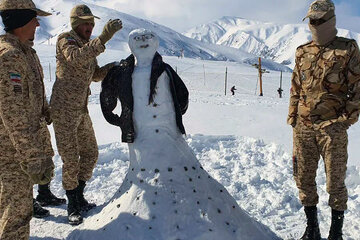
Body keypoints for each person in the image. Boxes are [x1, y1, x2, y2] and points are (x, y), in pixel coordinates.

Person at [84, 28, 276, 240]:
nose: (143, 42)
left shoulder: (165, 71)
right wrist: (119, 120)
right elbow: (107, 96)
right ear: (130, 44)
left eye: (147, 38)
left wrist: (170, 119)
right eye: (137, 39)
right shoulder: (122, 72)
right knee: (145, 175)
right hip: (141, 138)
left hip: (169, 137)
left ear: (155, 42)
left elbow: (182, 96)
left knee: (180, 173)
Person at [288, 0, 360, 239]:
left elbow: (358, 88)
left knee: (335, 184)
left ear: (331, 20)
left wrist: (344, 120)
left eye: (320, 20)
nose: (315, 24)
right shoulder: (302, 51)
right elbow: (296, 87)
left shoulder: (347, 49)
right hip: (303, 129)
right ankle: (312, 230)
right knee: (304, 179)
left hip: (332, 130)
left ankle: (335, 233)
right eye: (312, 20)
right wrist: (293, 118)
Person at [50, 4, 122, 225]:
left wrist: (114, 66)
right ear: (75, 24)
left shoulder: (87, 46)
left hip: (81, 109)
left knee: (90, 153)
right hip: (63, 110)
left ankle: (79, 195)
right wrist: (104, 38)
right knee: (71, 159)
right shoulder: (66, 40)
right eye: (85, 23)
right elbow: (75, 58)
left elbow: (95, 75)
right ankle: (72, 205)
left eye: (92, 23)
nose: (90, 26)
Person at [0, 0, 55, 239]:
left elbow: (35, 99)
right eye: (34, 18)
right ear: (21, 20)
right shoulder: (9, 57)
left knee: (16, 210)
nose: (38, 23)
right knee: (16, 216)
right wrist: (31, 156)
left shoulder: (27, 53)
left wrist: (50, 113)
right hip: (11, 154)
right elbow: (13, 114)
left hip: (22, 149)